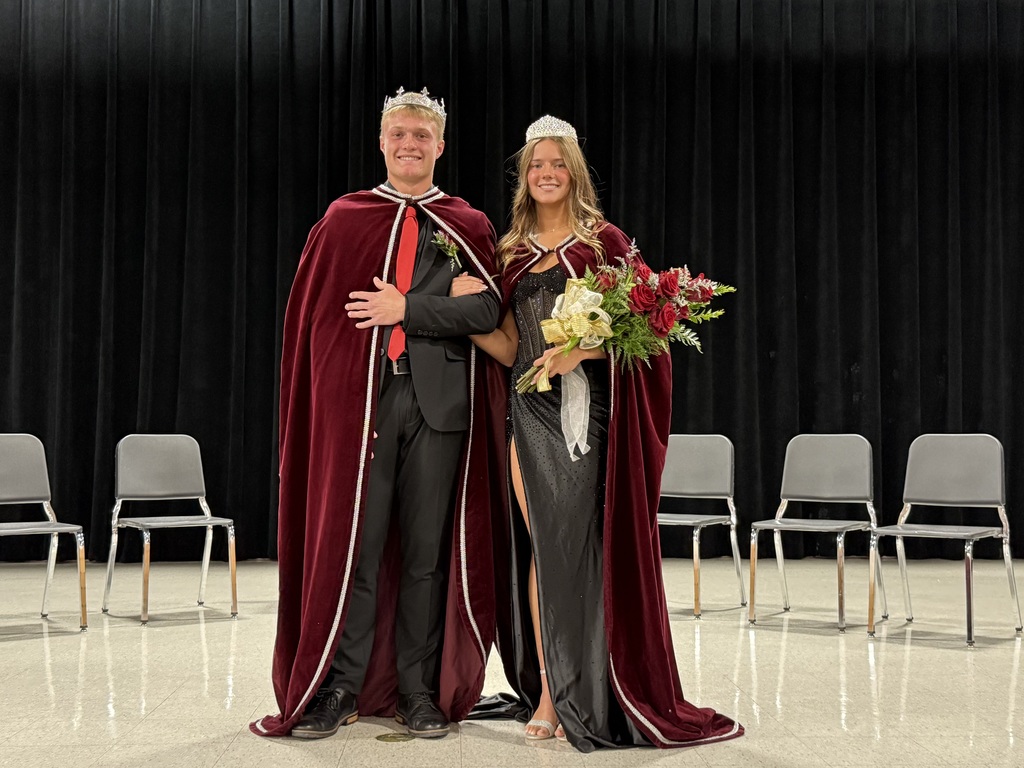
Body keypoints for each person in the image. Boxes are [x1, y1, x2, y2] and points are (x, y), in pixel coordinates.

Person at [451, 116, 743, 751]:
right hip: (528, 415)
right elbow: (507, 345)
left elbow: (650, 336)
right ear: (524, 177)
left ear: (574, 171)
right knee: (542, 549)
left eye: (557, 163)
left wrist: (579, 354)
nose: (546, 173)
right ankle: (555, 684)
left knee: (576, 550)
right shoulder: (509, 251)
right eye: (535, 165)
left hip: (586, 420)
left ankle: (577, 690)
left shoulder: (605, 243)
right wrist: (457, 315)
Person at [252, 88, 504, 740]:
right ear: (382, 142)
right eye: (400, 133)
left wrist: (410, 310)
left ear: (440, 146)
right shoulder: (345, 218)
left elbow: (487, 313)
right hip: (362, 407)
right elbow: (317, 325)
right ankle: (341, 688)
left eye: (423, 134)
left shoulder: (466, 224)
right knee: (357, 551)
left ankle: (419, 693)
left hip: (439, 408)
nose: (410, 144)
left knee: (425, 556)